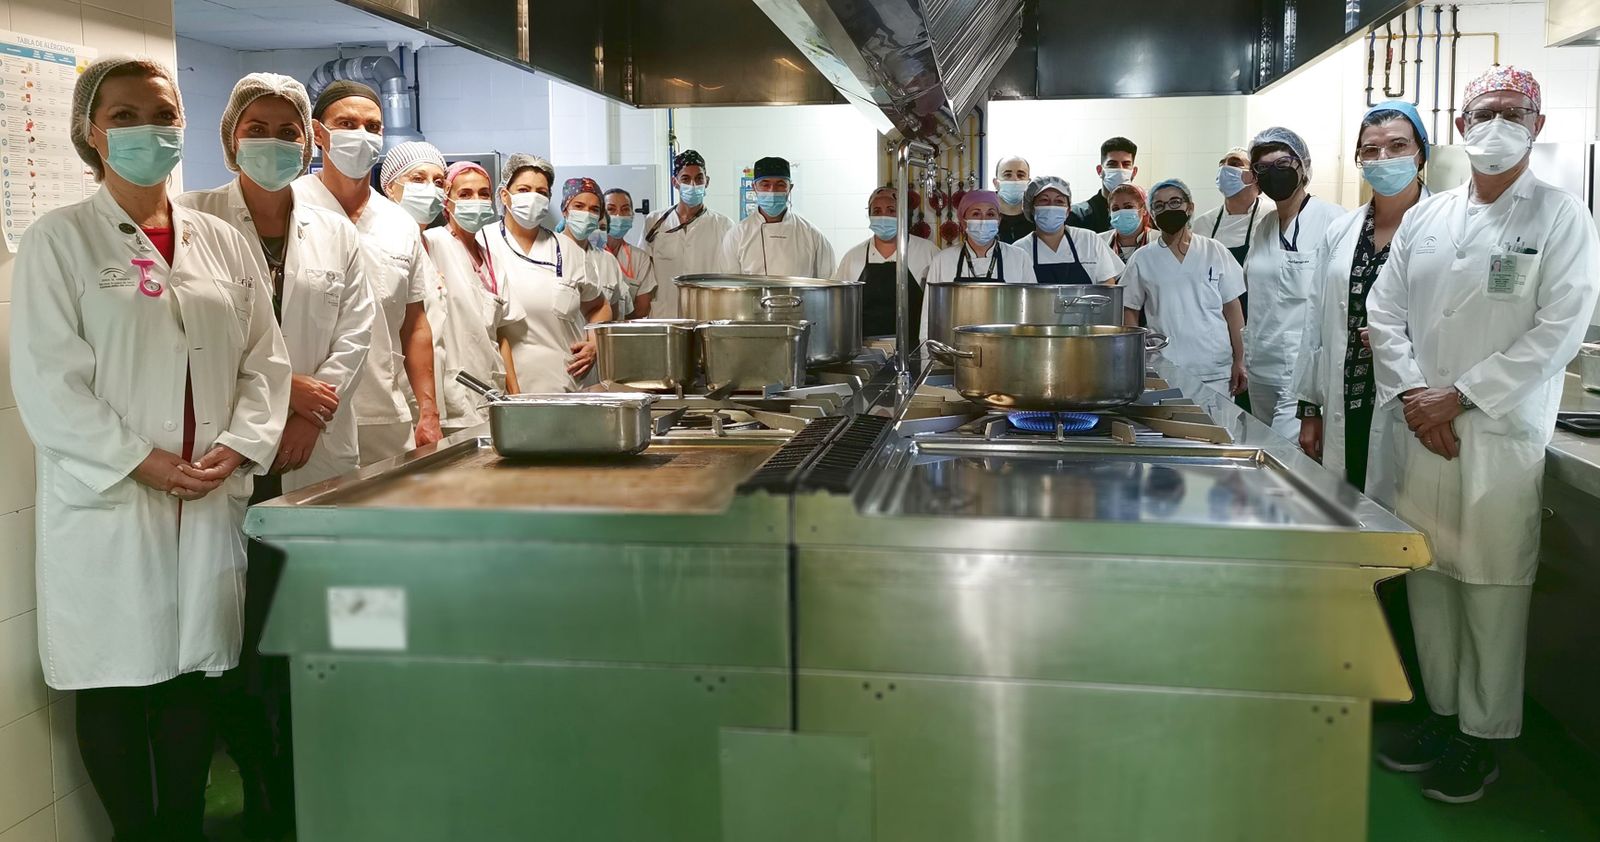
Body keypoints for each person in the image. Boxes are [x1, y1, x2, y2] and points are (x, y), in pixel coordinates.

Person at [10, 57, 291, 842]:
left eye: (161, 112)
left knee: (194, 680)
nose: (147, 129)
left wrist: (237, 450)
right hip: (114, 500)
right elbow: (48, 383)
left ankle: (181, 828)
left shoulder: (221, 241)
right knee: (113, 680)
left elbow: (264, 362)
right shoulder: (58, 241)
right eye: (124, 115)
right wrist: (144, 461)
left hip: (207, 493)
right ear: (90, 131)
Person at [1367, 66, 1600, 805]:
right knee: (1431, 581)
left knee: (1493, 588)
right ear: (1461, 126)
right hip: (1421, 430)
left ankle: (1483, 737)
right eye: (1481, 112)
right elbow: (1383, 311)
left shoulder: (1561, 217)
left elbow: (1558, 330)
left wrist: (1458, 398)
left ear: (1535, 124)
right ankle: (1441, 717)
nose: (1494, 125)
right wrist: (1414, 396)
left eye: (1510, 112)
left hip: (1493, 436)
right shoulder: (1429, 218)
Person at [174, 72, 374, 836]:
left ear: (308, 142)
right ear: (229, 138)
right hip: (235, 452)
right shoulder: (193, 219)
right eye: (256, 127)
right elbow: (197, 335)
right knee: (245, 639)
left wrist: (312, 410)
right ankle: (262, 786)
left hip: (316, 450)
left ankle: (309, 780)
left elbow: (356, 334)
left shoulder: (336, 232)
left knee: (311, 631)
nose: (274, 142)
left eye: (288, 130)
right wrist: (283, 391)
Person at [293, 80, 441, 463]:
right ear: (317, 133)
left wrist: (428, 410)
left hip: (383, 413)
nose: (361, 136)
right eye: (346, 124)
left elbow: (415, 323)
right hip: (304, 415)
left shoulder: (398, 222)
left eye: (373, 127)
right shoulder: (291, 206)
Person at [1294, 101, 1430, 495]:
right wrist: (1309, 409)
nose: (1383, 158)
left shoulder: (1446, 225)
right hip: (1345, 394)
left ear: (1421, 152)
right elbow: (1316, 322)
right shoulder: (1342, 230)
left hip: (1411, 394)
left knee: (1407, 511)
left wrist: (1398, 335)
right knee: (1348, 505)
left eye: (1397, 146)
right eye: (1370, 150)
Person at [1240, 126, 1346, 438]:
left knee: (1286, 463)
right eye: (1263, 168)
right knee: (1263, 453)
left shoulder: (1334, 221)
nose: (1274, 174)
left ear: (1303, 166)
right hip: (1261, 366)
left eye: (1283, 165)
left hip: (1302, 373)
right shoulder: (1264, 227)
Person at [486, 154, 612, 392]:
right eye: (524, 189)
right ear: (505, 195)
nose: (533, 197)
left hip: (560, 382)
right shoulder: (483, 243)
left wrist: (595, 344)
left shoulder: (568, 250)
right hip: (501, 387)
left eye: (541, 192)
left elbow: (599, 306)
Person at [1118, 178, 1247, 394]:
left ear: (1190, 207)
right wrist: (1137, 357)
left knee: (1217, 427)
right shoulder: (1142, 259)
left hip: (1214, 370)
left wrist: (1240, 359)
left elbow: (1233, 310)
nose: (1168, 209)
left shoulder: (1214, 251)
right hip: (1163, 367)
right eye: (1159, 206)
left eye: (1175, 202)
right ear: (1152, 215)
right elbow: (1129, 310)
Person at [424, 160, 525, 429]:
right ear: (447, 201)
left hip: (490, 387)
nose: (476, 201)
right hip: (453, 392)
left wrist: (515, 397)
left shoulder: (491, 258)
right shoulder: (433, 243)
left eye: (483, 194)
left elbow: (501, 333)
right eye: (465, 194)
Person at [377, 141, 452, 432]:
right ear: (390, 187)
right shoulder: (381, 242)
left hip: (425, 396)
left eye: (438, 182)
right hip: (395, 393)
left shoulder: (429, 243)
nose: (430, 189)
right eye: (417, 179)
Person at [833, 185, 936, 339]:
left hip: (916, 349)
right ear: (869, 215)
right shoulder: (852, 257)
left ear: (904, 214)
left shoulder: (928, 252)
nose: (883, 217)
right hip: (866, 352)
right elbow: (839, 309)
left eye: (891, 210)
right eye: (877, 211)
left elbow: (938, 309)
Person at [640, 149, 733, 317]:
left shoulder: (724, 225)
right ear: (675, 182)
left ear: (707, 181)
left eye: (699, 178)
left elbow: (730, 277)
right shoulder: (655, 222)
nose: (693, 185)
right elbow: (644, 271)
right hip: (665, 314)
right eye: (685, 179)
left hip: (708, 314)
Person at [719, 156, 835, 276]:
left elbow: (829, 282)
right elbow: (730, 285)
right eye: (765, 184)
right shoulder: (737, 235)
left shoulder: (812, 235)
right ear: (754, 187)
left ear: (790, 188)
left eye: (780, 184)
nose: (772, 191)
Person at [1012, 176, 1124, 285]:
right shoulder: (1019, 250)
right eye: (1044, 200)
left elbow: (1108, 282)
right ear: (1032, 209)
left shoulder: (1089, 239)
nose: (1051, 206)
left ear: (1068, 210)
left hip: (1088, 304)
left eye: (1059, 201)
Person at [925, 190, 1037, 286]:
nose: (984, 220)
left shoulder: (1019, 258)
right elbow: (929, 308)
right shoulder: (942, 261)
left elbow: (1031, 305)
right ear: (963, 222)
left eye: (990, 214)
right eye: (976, 214)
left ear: (999, 220)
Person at [1191, 146, 1262, 267]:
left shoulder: (1272, 218)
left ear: (1254, 176)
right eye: (1222, 164)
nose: (1224, 168)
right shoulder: (1202, 225)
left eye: (1234, 163)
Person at [601, 187, 657, 318]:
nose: (618, 215)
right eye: (611, 209)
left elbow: (643, 308)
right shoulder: (590, 253)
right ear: (601, 215)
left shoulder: (640, 258)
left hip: (625, 331)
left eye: (625, 209)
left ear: (632, 215)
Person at [1068, 137, 1138, 232]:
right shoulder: (1079, 215)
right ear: (1100, 171)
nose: (1120, 170)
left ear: (1134, 172)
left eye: (1126, 164)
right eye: (1112, 164)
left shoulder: (1144, 214)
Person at [1100, 182, 1155, 262]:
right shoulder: (1099, 241)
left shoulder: (1160, 240)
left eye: (1128, 207)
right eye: (1115, 208)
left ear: (1144, 210)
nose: (1121, 212)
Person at [992, 154, 1033, 243]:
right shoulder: (985, 217)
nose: (1014, 179)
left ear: (1029, 183)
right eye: (1007, 175)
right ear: (996, 183)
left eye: (1020, 175)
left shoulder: (1036, 218)